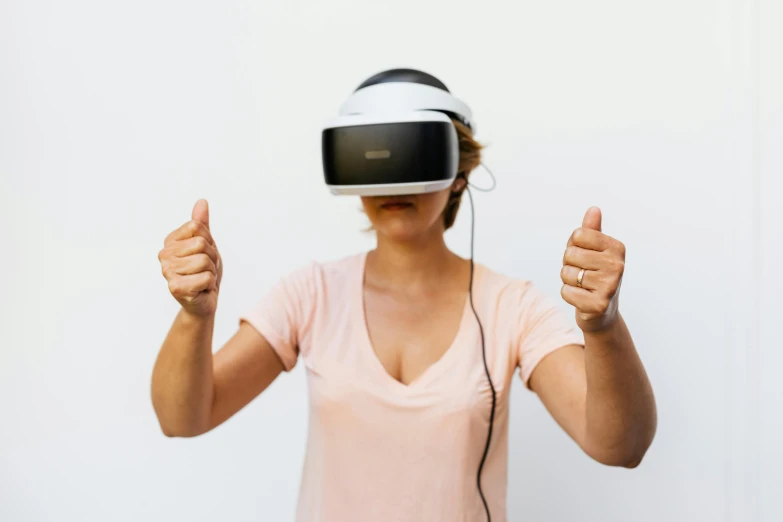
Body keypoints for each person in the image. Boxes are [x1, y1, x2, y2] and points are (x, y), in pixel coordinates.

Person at [151, 118, 657, 521]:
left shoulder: (511, 306)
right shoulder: (312, 294)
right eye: (374, 158)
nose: (392, 180)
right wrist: (196, 315)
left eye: (410, 153)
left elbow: (620, 445)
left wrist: (603, 326)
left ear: (459, 172)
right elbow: (184, 418)